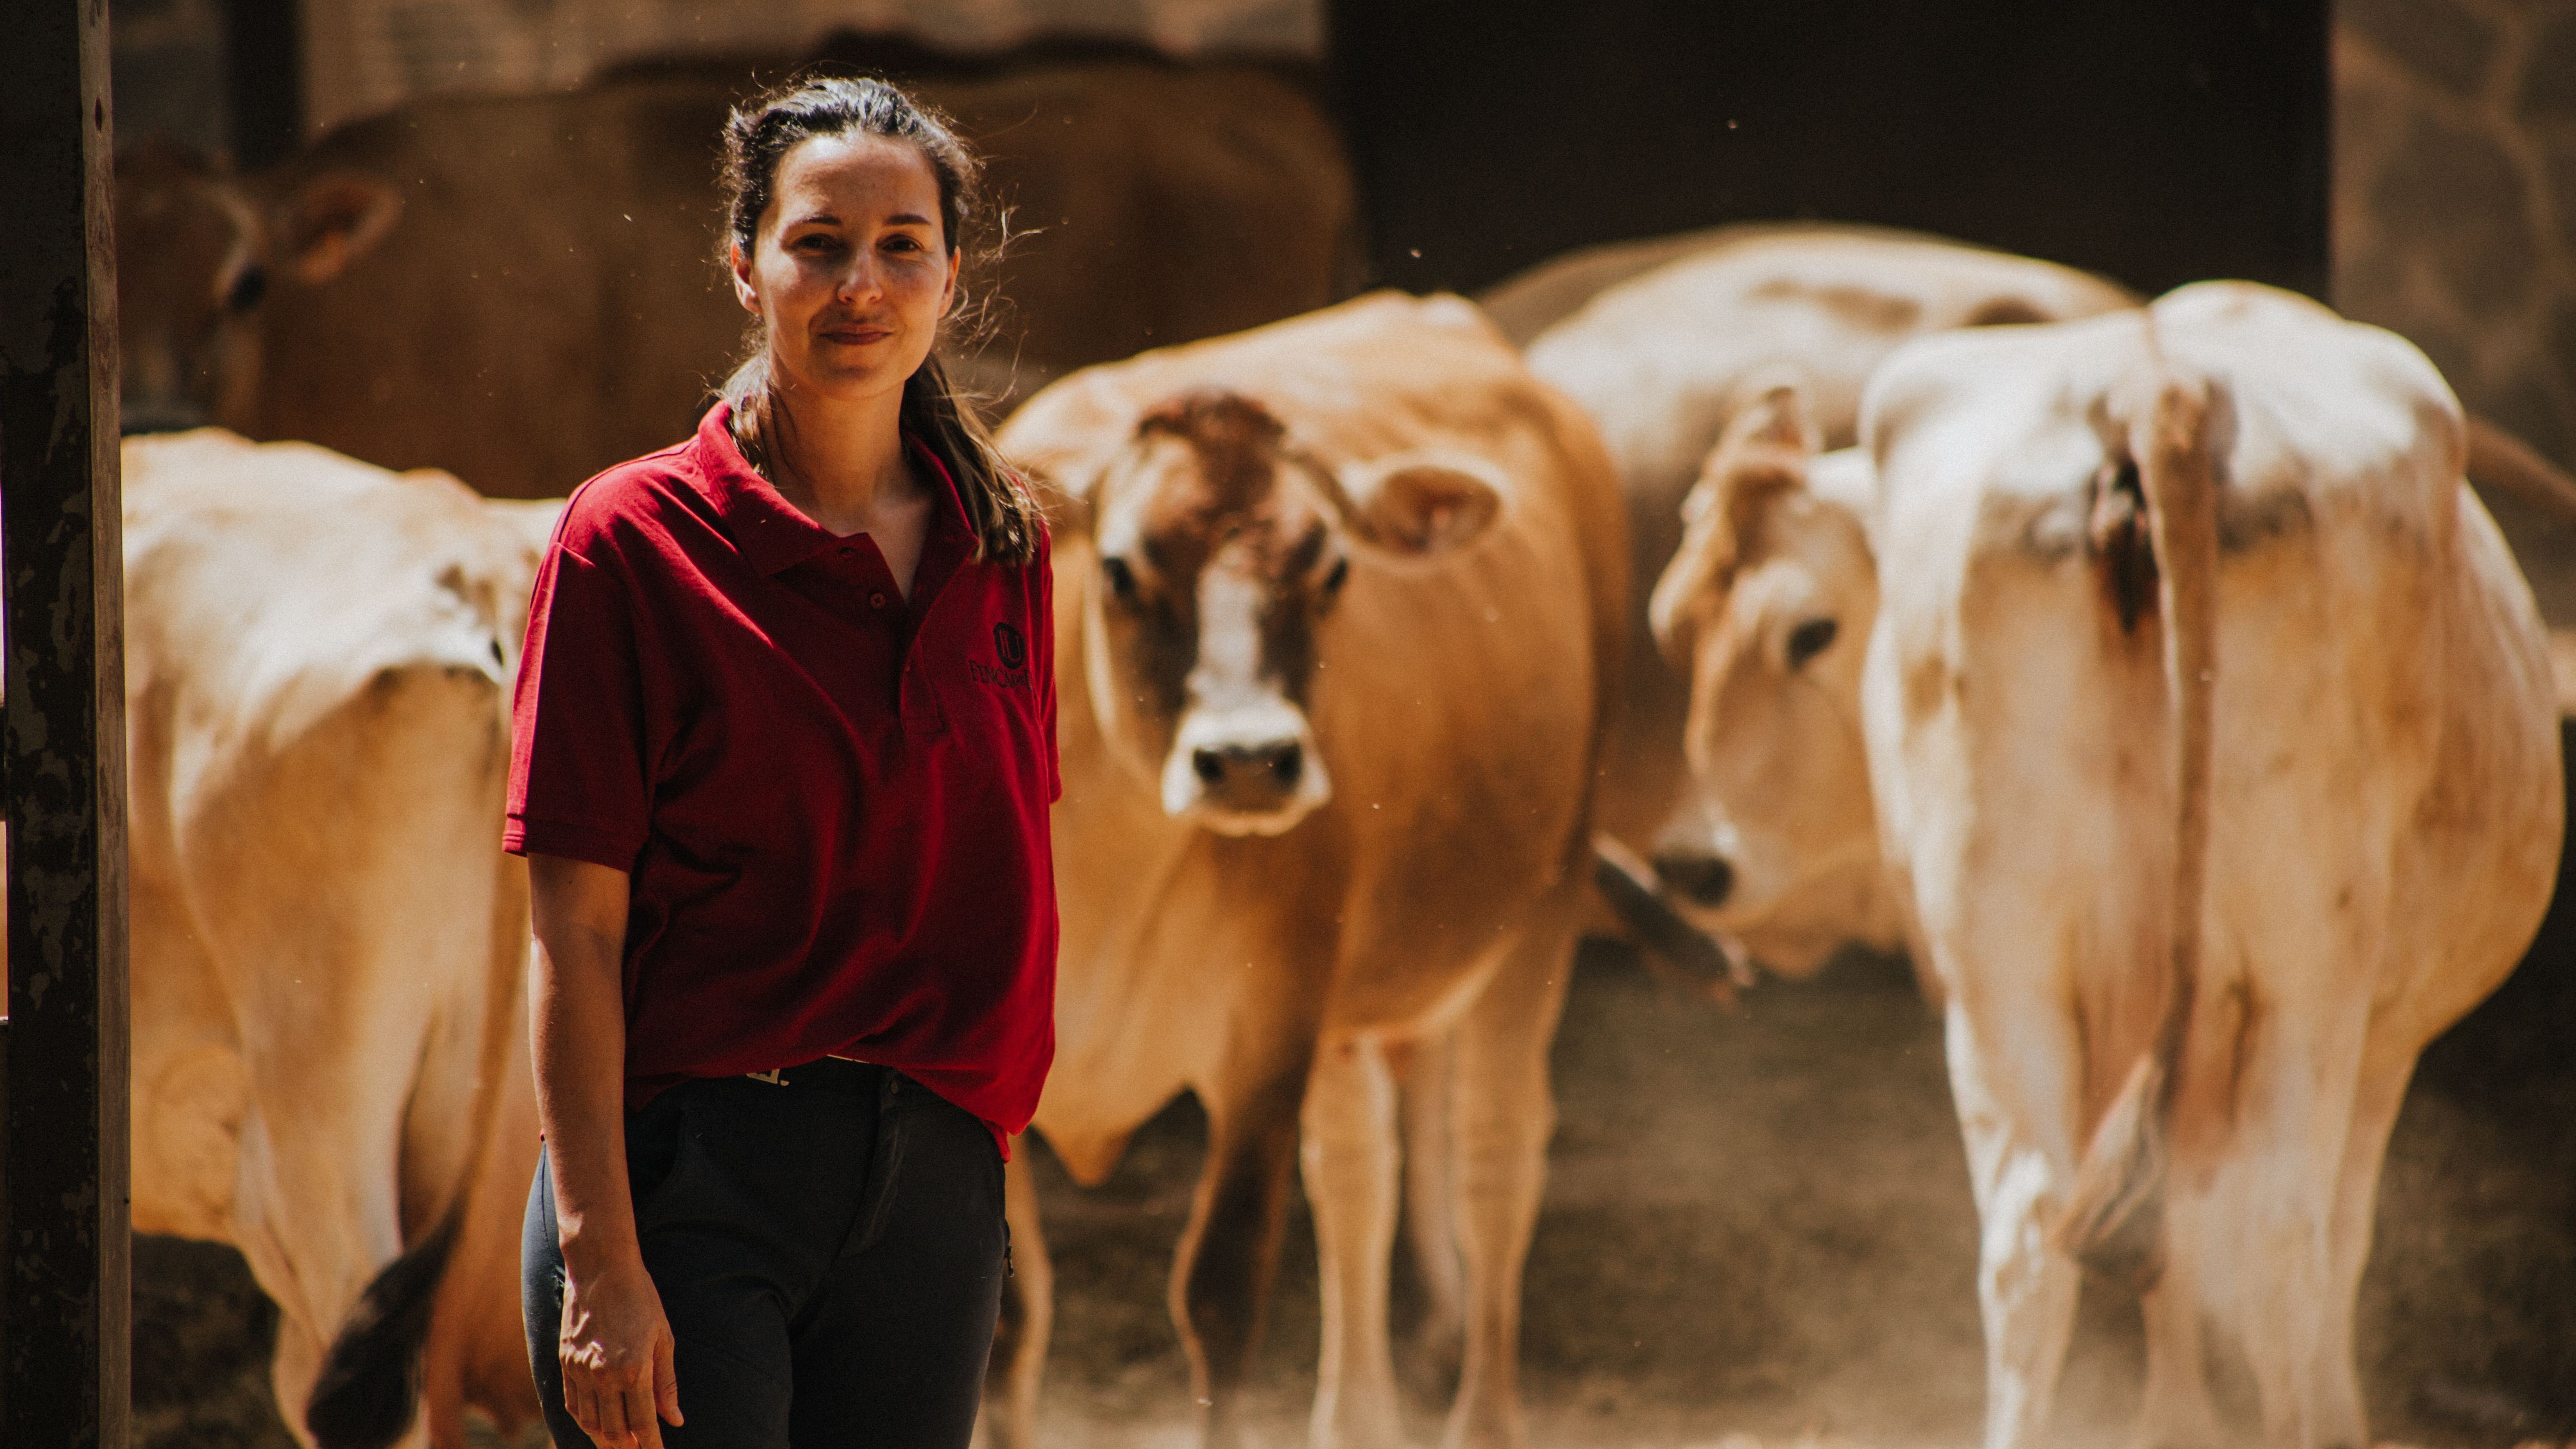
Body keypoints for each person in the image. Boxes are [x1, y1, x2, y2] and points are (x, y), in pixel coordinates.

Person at [506, 74, 1058, 1449]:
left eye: (901, 246)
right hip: (691, 1186)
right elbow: (574, 929)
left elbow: (1001, 868)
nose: (858, 284)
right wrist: (601, 1265)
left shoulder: (1006, 545)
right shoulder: (627, 541)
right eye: (816, 243)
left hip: (930, 1193)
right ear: (744, 267)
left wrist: (983, 1161)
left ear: (951, 275)